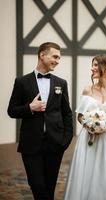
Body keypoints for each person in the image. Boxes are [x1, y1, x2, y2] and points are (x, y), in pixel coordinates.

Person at [7, 42, 73, 200]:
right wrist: (30, 107)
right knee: (37, 185)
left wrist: (65, 140)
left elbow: (67, 113)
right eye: (55, 56)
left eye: (59, 58)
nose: (57, 60)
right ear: (42, 55)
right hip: (31, 144)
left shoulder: (61, 83)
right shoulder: (22, 82)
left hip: (55, 144)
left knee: (50, 187)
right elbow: (11, 110)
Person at [63, 54, 106, 200]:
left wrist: (105, 128)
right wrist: (89, 125)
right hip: (87, 138)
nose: (92, 68)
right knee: (85, 172)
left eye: (96, 65)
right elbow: (80, 116)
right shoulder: (88, 89)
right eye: (92, 65)